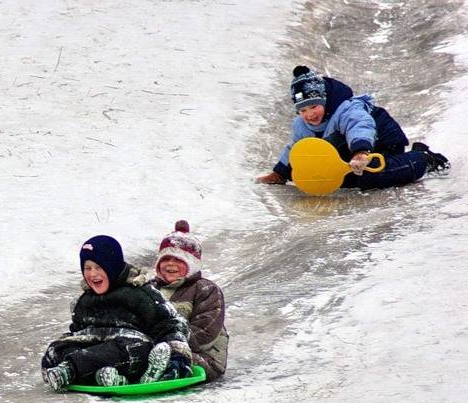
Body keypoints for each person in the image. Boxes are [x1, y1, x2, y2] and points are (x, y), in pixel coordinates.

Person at [256, 65, 449, 190]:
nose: (310, 114)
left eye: (314, 106)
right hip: (350, 152)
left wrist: (360, 152)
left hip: (380, 144)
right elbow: (296, 149)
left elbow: (360, 126)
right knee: (342, 180)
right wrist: (280, 173)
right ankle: (360, 163)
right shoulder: (301, 124)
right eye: (303, 110)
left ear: (324, 100)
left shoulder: (346, 109)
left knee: (370, 176)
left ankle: (422, 159)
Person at [41, 235, 193, 391]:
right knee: (56, 350)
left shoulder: (140, 293)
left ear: (112, 266)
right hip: (95, 355)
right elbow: (77, 333)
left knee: (135, 348)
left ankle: (71, 371)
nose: (93, 274)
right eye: (88, 268)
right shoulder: (84, 300)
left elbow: (169, 325)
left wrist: (177, 357)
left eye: (99, 267)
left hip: (128, 353)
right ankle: (110, 379)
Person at [152, 220, 228, 382]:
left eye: (179, 260)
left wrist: (166, 342)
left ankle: (167, 370)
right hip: (157, 349)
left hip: (203, 357)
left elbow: (205, 333)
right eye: (166, 259)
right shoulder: (150, 289)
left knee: (172, 354)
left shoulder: (206, 290)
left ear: (191, 264)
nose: (171, 264)